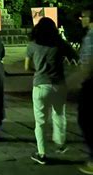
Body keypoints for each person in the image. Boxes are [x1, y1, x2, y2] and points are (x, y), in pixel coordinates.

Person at [25, 17, 77, 165]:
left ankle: (42, 153)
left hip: (40, 86)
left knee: (40, 121)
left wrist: (38, 71)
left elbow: (27, 67)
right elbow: (75, 56)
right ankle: (60, 143)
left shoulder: (32, 45)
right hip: (59, 85)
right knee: (59, 114)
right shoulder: (60, 43)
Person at [77, 9, 93, 175]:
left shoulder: (91, 36)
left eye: (83, 17)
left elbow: (89, 61)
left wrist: (77, 79)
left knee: (86, 119)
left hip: (90, 83)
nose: (81, 19)